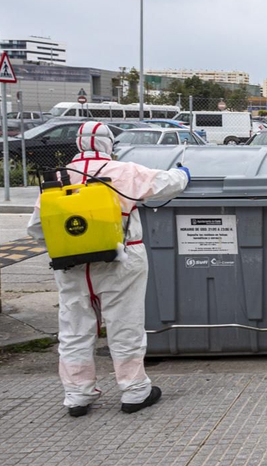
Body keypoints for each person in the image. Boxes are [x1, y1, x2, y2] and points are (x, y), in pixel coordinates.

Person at [27, 121, 190, 417]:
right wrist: (184, 172)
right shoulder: (123, 172)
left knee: (74, 329)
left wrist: (74, 241)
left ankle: (77, 395)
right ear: (108, 145)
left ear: (77, 145)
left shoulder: (60, 177)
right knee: (124, 324)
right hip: (121, 260)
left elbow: (37, 228)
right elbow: (168, 183)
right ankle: (134, 391)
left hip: (71, 264)